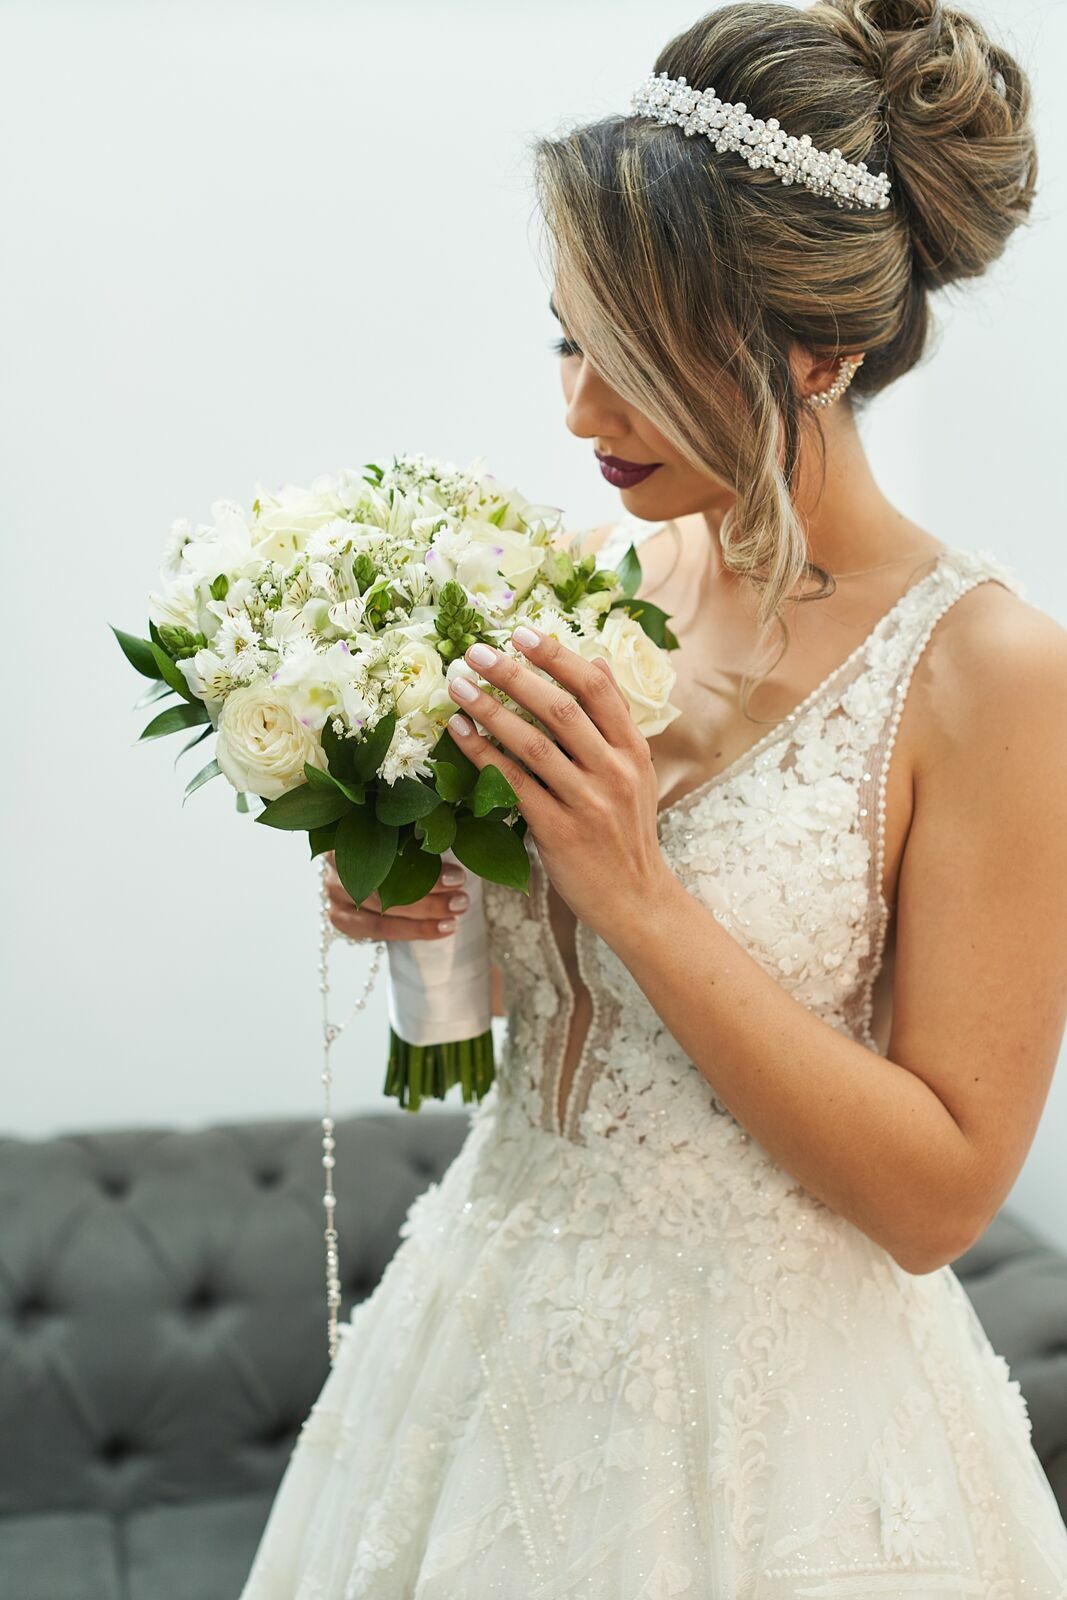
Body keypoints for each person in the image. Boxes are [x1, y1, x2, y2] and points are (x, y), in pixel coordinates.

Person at [239, 0, 1067, 1593]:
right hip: (484, 1352)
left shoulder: (989, 674)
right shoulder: (602, 589)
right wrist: (418, 902)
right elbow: (508, 1036)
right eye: (567, 338)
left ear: (820, 351)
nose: (578, 411)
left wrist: (636, 891)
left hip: (789, 1431)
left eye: (635, 358)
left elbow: (941, 1196)